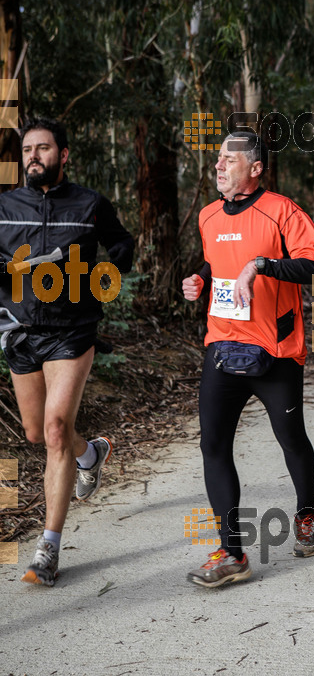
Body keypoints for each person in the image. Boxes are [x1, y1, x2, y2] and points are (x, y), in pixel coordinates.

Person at [182, 132, 314, 587]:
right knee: (213, 445)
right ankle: (232, 552)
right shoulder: (209, 216)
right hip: (223, 346)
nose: (220, 165)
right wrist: (200, 281)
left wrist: (263, 264)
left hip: (275, 351)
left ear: (256, 167)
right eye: (218, 159)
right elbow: (217, 265)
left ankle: (307, 509)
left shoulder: (282, 211)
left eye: (231, 159)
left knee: (291, 439)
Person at [0, 117, 134, 586]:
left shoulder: (90, 204)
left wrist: (104, 267)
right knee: (38, 434)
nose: (33, 155)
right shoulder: (4, 206)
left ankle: (47, 550)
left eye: (43, 148)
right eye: (28, 149)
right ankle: (90, 455)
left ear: (64, 155)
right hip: (20, 331)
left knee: (56, 429)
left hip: (73, 330)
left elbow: (123, 245)